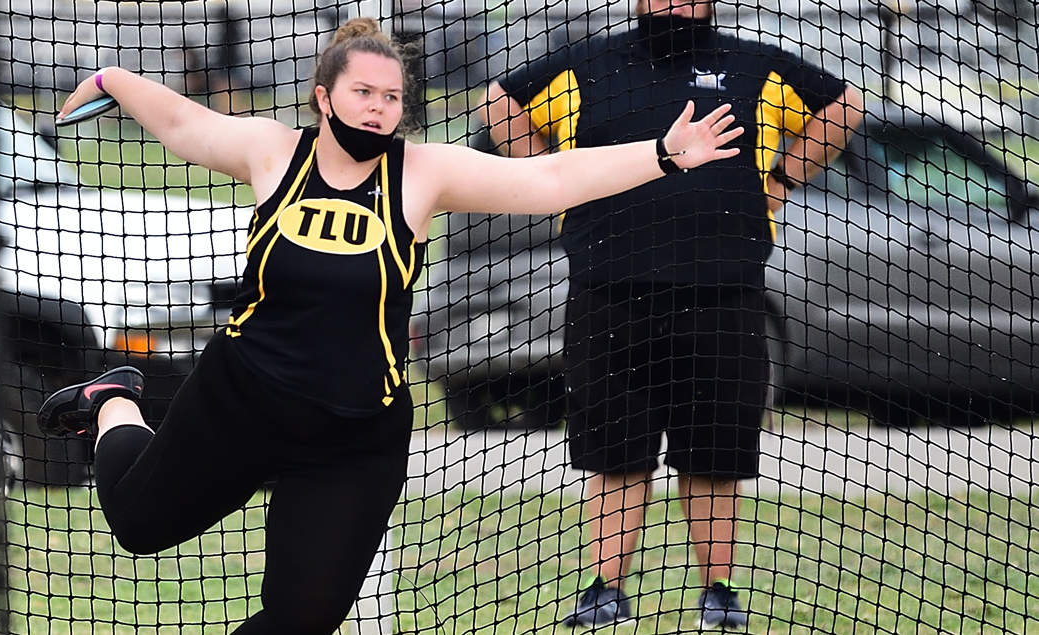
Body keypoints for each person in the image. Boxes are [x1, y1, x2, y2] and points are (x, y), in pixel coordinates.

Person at [38, 17, 741, 635]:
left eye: (391, 98)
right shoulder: (272, 151)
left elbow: (549, 182)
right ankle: (116, 400)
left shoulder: (421, 174)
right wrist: (111, 76)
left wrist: (662, 154)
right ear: (324, 96)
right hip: (241, 400)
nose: (376, 109)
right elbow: (182, 124)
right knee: (138, 525)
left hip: (351, 435)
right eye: (362, 93)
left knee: (304, 617)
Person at [480, 0, 862, 629]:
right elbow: (499, 99)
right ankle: (605, 588)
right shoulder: (590, 62)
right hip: (610, 293)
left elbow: (845, 106)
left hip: (725, 292)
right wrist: (551, 177)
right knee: (614, 455)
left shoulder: (754, 64)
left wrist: (786, 178)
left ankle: (719, 593)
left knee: (715, 454)